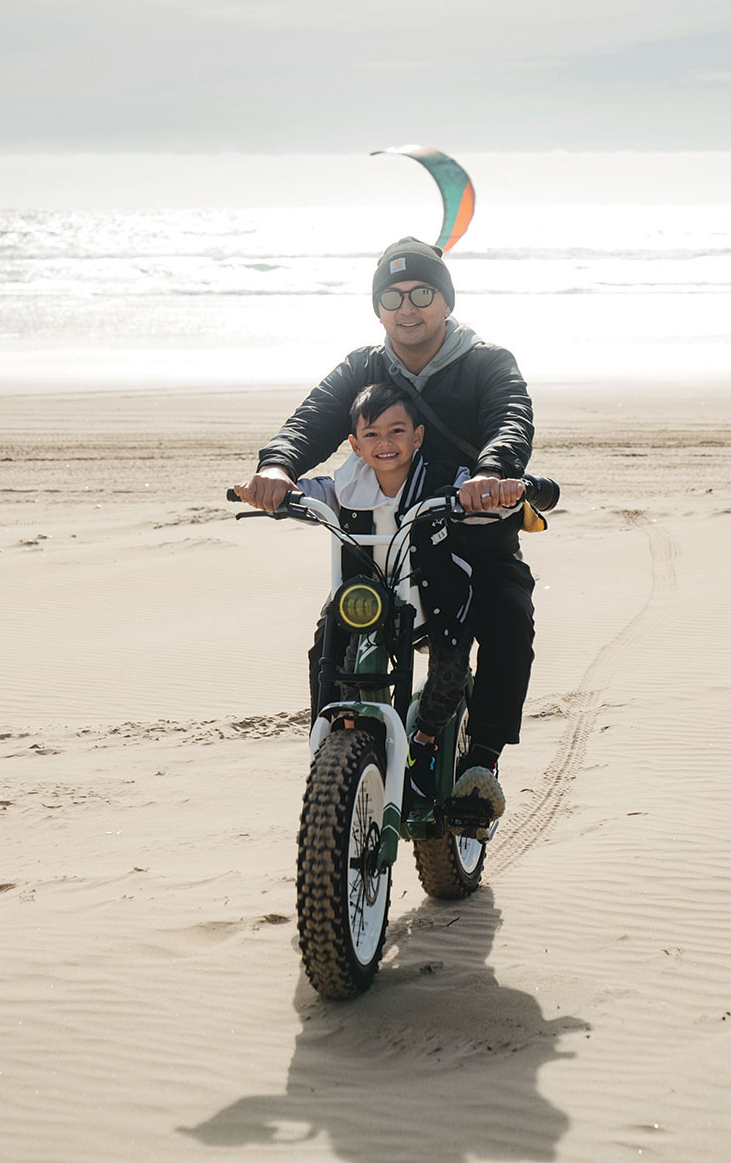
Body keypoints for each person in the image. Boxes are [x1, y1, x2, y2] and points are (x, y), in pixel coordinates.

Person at [236, 235, 552, 820]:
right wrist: (277, 466)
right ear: (378, 307)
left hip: (468, 531)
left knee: (508, 614)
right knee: (331, 634)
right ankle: (332, 756)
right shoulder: (363, 366)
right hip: (378, 544)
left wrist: (490, 474)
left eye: (423, 293)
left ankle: (480, 764)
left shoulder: (486, 361)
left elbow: (510, 420)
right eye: (393, 295)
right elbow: (313, 417)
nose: (408, 307)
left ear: (446, 301)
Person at [236, 383, 523, 808]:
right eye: (371, 435)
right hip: (365, 599)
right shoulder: (349, 482)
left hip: (433, 598)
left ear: (418, 436)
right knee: (326, 648)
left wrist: (496, 493)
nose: (384, 444)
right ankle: (333, 740)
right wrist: (275, 491)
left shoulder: (443, 477)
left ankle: (423, 743)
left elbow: (485, 503)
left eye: (397, 432)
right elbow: (317, 497)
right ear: (354, 443)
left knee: (450, 666)